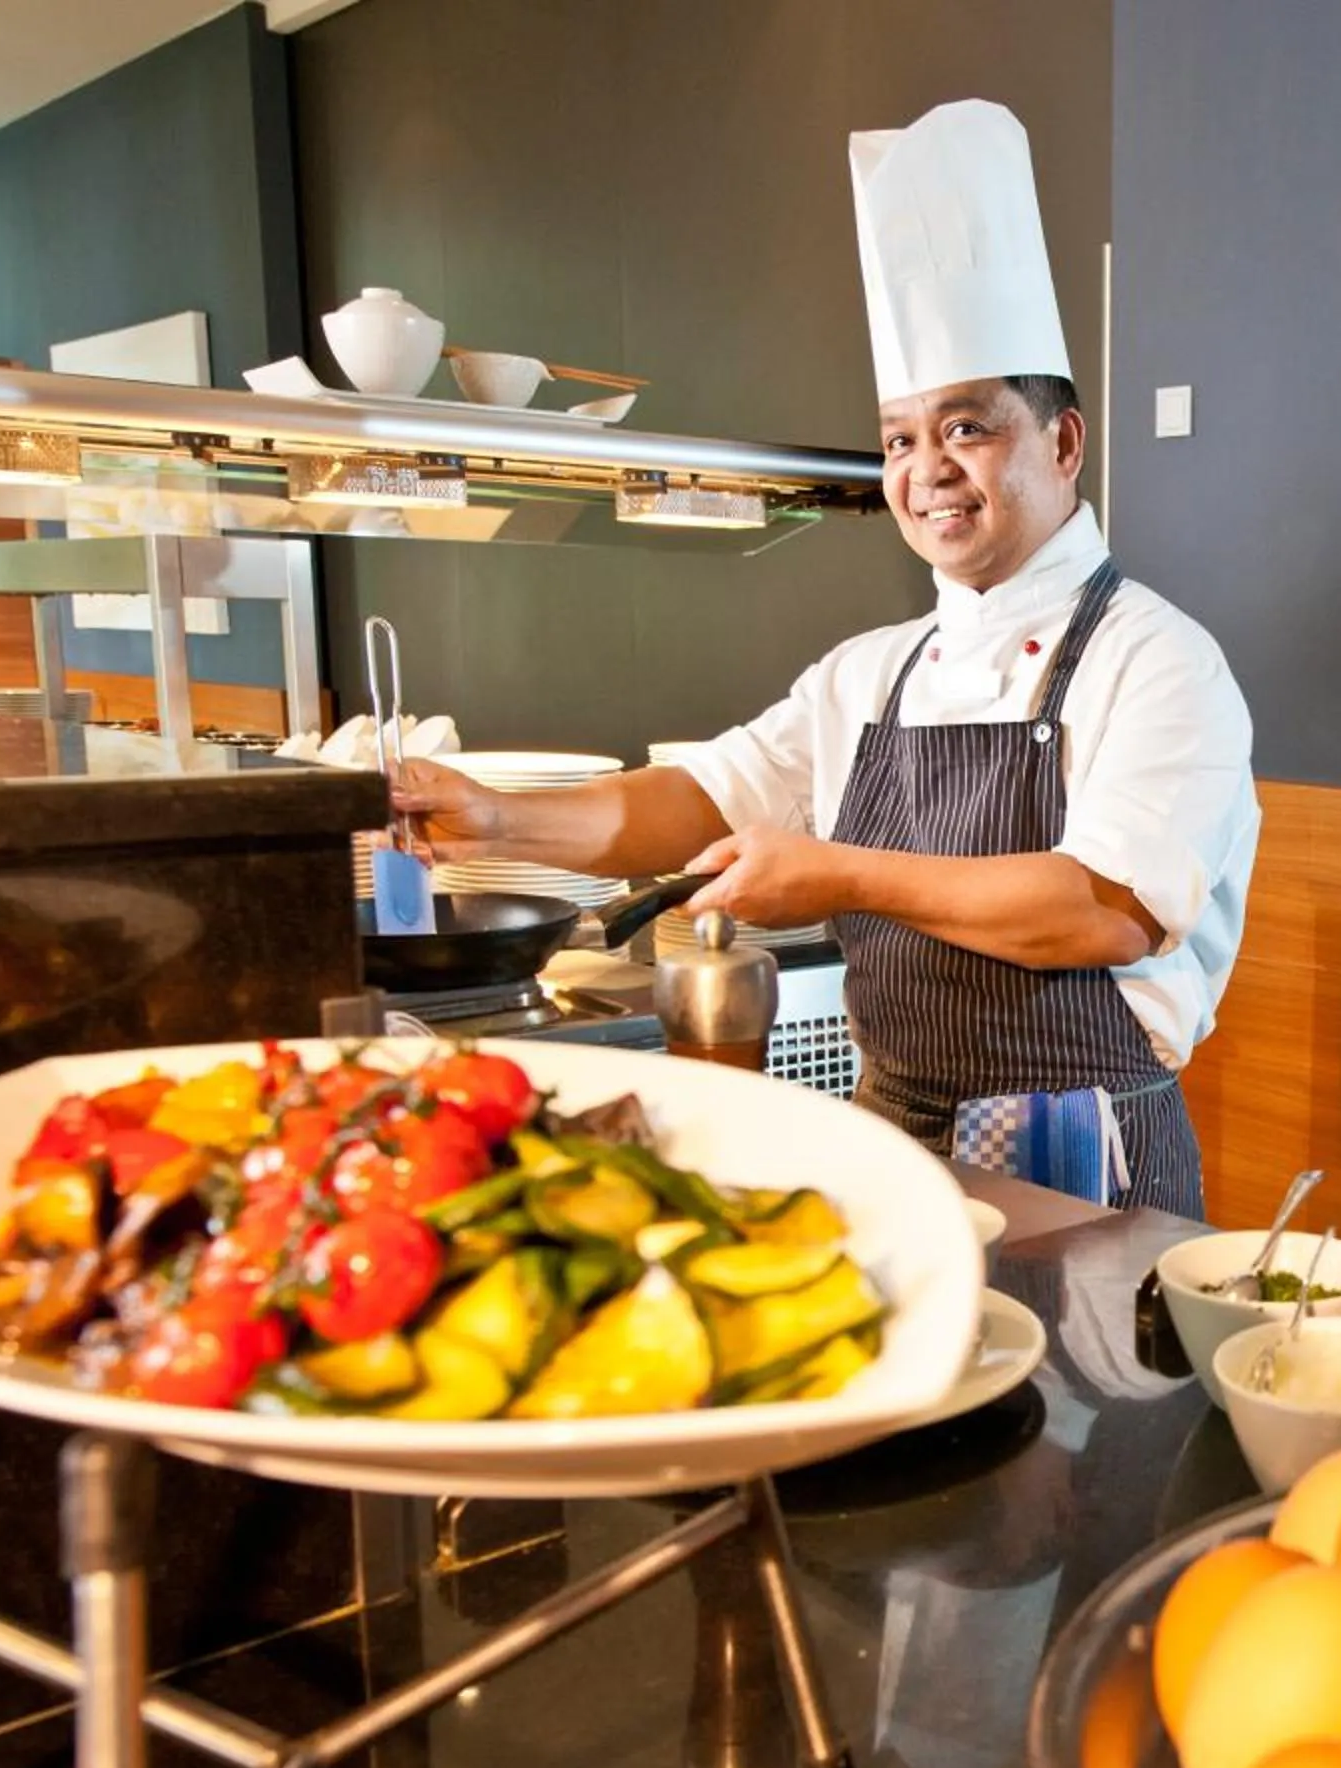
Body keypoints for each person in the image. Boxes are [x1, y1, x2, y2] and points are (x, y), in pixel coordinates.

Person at [393, 101, 1256, 1216]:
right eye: (900, 438)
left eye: (967, 426)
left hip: (1083, 1153)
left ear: (1065, 440)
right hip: (893, 1132)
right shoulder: (869, 671)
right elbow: (697, 800)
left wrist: (840, 872)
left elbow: (1096, 911)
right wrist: (498, 821)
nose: (927, 468)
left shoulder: (1161, 659)